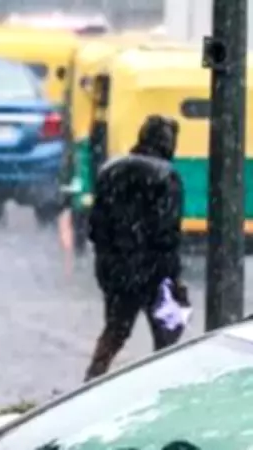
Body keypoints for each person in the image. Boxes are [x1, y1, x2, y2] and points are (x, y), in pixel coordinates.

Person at [85, 114, 187, 381]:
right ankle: (161, 384)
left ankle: (91, 381)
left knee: (115, 331)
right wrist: (173, 278)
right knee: (167, 332)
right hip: (153, 272)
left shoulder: (109, 171)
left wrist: (113, 259)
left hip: (115, 271)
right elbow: (167, 235)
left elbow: (95, 228)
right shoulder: (168, 176)